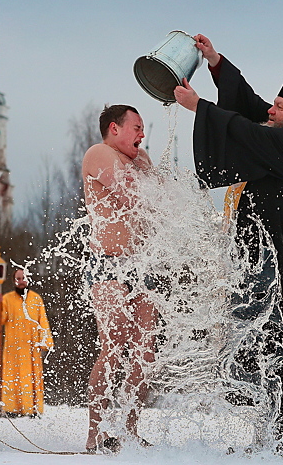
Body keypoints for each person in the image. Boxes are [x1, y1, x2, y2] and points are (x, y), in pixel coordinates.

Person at [174, 34, 283, 459]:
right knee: (261, 346)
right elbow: (250, 105)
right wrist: (217, 62)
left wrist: (199, 108)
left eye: (279, 108)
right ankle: (273, 435)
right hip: (265, 260)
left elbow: (246, 131)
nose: (270, 111)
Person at [82, 104, 157, 453]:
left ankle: (129, 428)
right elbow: (136, 199)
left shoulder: (140, 161)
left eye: (143, 130)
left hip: (142, 265)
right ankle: (94, 433)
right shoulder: (99, 154)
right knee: (114, 342)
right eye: (137, 128)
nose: (142, 136)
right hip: (108, 263)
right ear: (115, 128)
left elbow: (164, 206)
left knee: (146, 351)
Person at [0, 268, 53, 417]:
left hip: (31, 347)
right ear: (14, 281)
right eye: (18, 279)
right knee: (12, 377)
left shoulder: (36, 299)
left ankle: (31, 409)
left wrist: (45, 341)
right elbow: (1, 319)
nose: (21, 282)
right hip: (13, 348)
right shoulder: (7, 298)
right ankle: (12, 409)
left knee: (31, 377)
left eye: (23, 278)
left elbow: (42, 321)